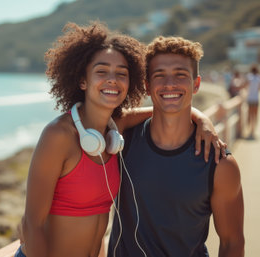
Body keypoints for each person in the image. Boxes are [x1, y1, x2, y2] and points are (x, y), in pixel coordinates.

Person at [17, 23, 224, 257]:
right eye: (102, 71)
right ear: (83, 80)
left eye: (122, 74)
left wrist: (201, 118)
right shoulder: (59, 135)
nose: (112, 80)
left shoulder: (115, 129)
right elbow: (30, 225)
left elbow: (164, 109)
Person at [108, 36, 244, 257]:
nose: (169, 83)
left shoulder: (220, 163)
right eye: (159, 75)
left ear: (196, 84)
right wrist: (200, 117)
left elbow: (233, 243)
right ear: (147, 85)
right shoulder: (122, 140)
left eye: (180, 75)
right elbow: (103, 116)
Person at [246, 65, 260, 139]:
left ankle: (249, 129)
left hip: (250, 98)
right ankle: (253, 130)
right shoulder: (259, 77)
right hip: (256, 98)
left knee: (250, 114)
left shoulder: (249, 77)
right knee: (255, 115)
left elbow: (245, 85)